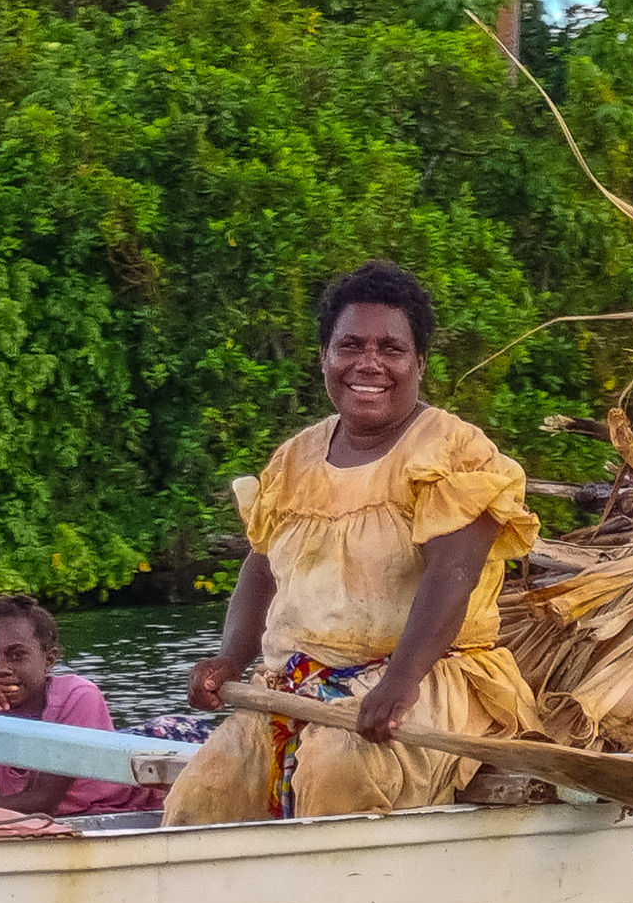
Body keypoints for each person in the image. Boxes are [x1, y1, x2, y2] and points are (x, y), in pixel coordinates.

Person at [163, 262, 540, 825]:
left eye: (392, 349)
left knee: (339, 770)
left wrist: (399, 681)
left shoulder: (454, 452)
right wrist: (228, 660)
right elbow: (261, 571)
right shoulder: (294, 459)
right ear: (325, 358)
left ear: (419, 364)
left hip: (419, 682)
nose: (370, 363)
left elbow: (451, 576)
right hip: (294, 686)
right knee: (204, 794)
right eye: (351, 346)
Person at [0, 595, 164, 817]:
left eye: (16, 655)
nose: (1, 669)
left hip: (121, 810)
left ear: (49, 659)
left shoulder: (78, 696)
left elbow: (44, 802)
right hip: (43, 823)